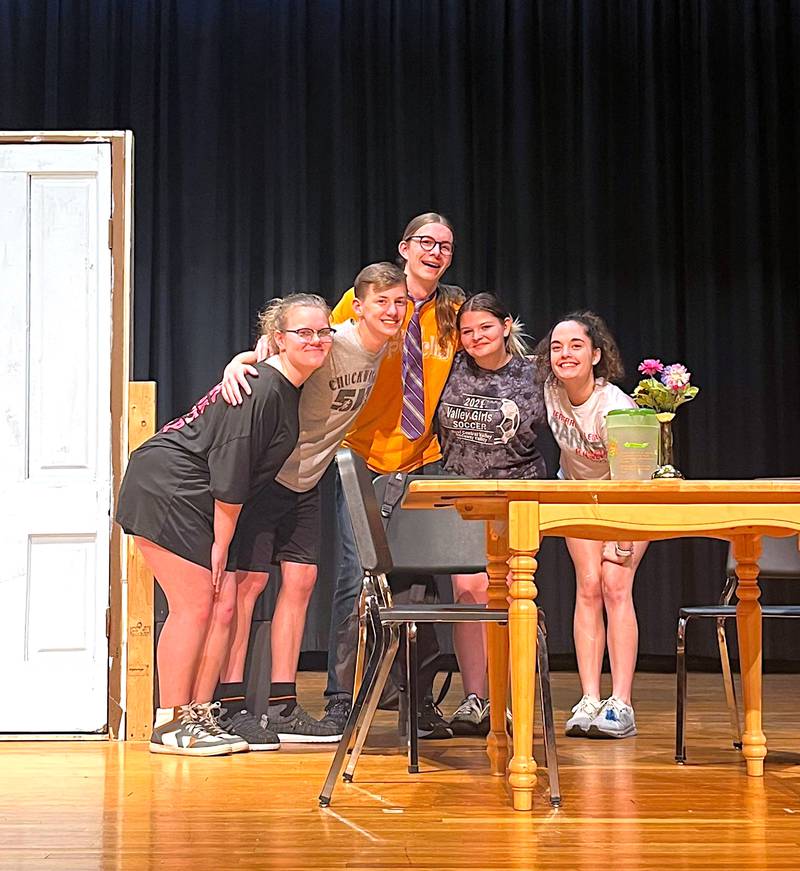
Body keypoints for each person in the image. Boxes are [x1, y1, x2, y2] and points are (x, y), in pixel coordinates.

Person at [115, 294, 332, 756]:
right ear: (280, 340)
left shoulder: (280, 382)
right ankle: (170, 723)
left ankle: (198, 712)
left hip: (194, 491)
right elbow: (231, 470)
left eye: (322, 331)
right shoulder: (264, 387)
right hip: (169, 486)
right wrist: (221, 543)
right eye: (304, 332)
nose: (316, 340)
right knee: (195, 603)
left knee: (219, 604)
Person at [217, 263, 409, 744]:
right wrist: (244, 358)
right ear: (358, 306)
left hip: (308, 479)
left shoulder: (384, 348)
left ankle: (282, 706)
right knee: (249, 586)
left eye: (399, 302)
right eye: (380, 301)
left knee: (301, 582)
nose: (391, 310)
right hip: (269, 478)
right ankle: (231, 702)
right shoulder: (331, 343)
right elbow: (276, 355)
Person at [322, 212, 465, 740]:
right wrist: (259, 350)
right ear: (405, 247)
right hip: (361, 453)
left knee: (422, 582)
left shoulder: (453, 309)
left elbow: (492, 349)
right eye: (425, 242)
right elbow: (317, 341)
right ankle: (342, 699)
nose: (435, 252)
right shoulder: (375, 297)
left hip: (421, 456)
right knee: (352, 578)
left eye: (445, 246)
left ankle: (418, 702)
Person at [435, 292, 547, 735]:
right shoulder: (451, 369)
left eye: (485, 326)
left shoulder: (534, 371)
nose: (477, 336)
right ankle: (475, 698)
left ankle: (514, 697)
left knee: (513, 597)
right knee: (468, 593)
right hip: (461, 494)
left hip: (517, 497)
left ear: (505, 326)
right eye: (467, 330)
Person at [535, 311, 647, 739]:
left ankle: (621, 703)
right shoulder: (549, 390)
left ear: (596, 355)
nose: (565, 354)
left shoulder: (615, 407)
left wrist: (621, 536)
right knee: (587, 585)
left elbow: (634, 482)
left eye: (576, 345)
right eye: (558, 346)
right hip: (578, 495)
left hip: (626, 499)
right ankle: (588, 698)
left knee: (615, 585)